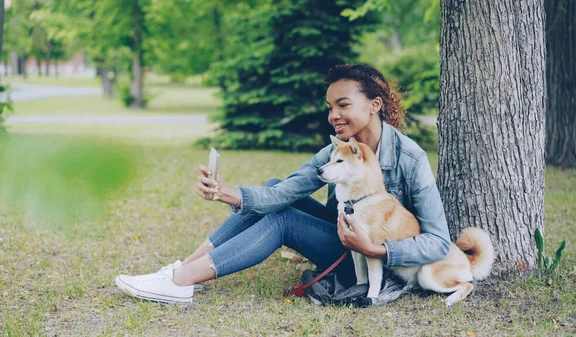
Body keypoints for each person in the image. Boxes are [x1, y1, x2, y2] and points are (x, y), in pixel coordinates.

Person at [115, 64, 452, 304]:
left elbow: (437, 242)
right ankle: (184, 268)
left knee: (283, 219)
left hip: (371, 255)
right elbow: (284, 190)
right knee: (275, 187)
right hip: (343, 234)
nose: (333, 115)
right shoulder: (336, 149)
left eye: (343, 105)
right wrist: (225, 193)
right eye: (330, 107)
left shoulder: (410, 158)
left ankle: (181, 282)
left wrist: (377, 249)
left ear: (375, 105)